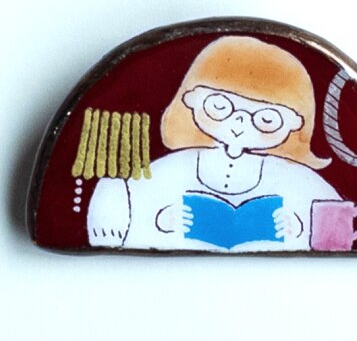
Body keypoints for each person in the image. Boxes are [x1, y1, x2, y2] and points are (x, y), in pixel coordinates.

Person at [88, 35, 340, 251]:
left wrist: (300, 227)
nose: (240, 124)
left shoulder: (295, 178)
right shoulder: (171, 169)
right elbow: (124, 208)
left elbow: (337, 232)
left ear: (295, 124)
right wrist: (160, 220)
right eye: (220, 106)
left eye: (266, 119)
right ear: (191, 99)